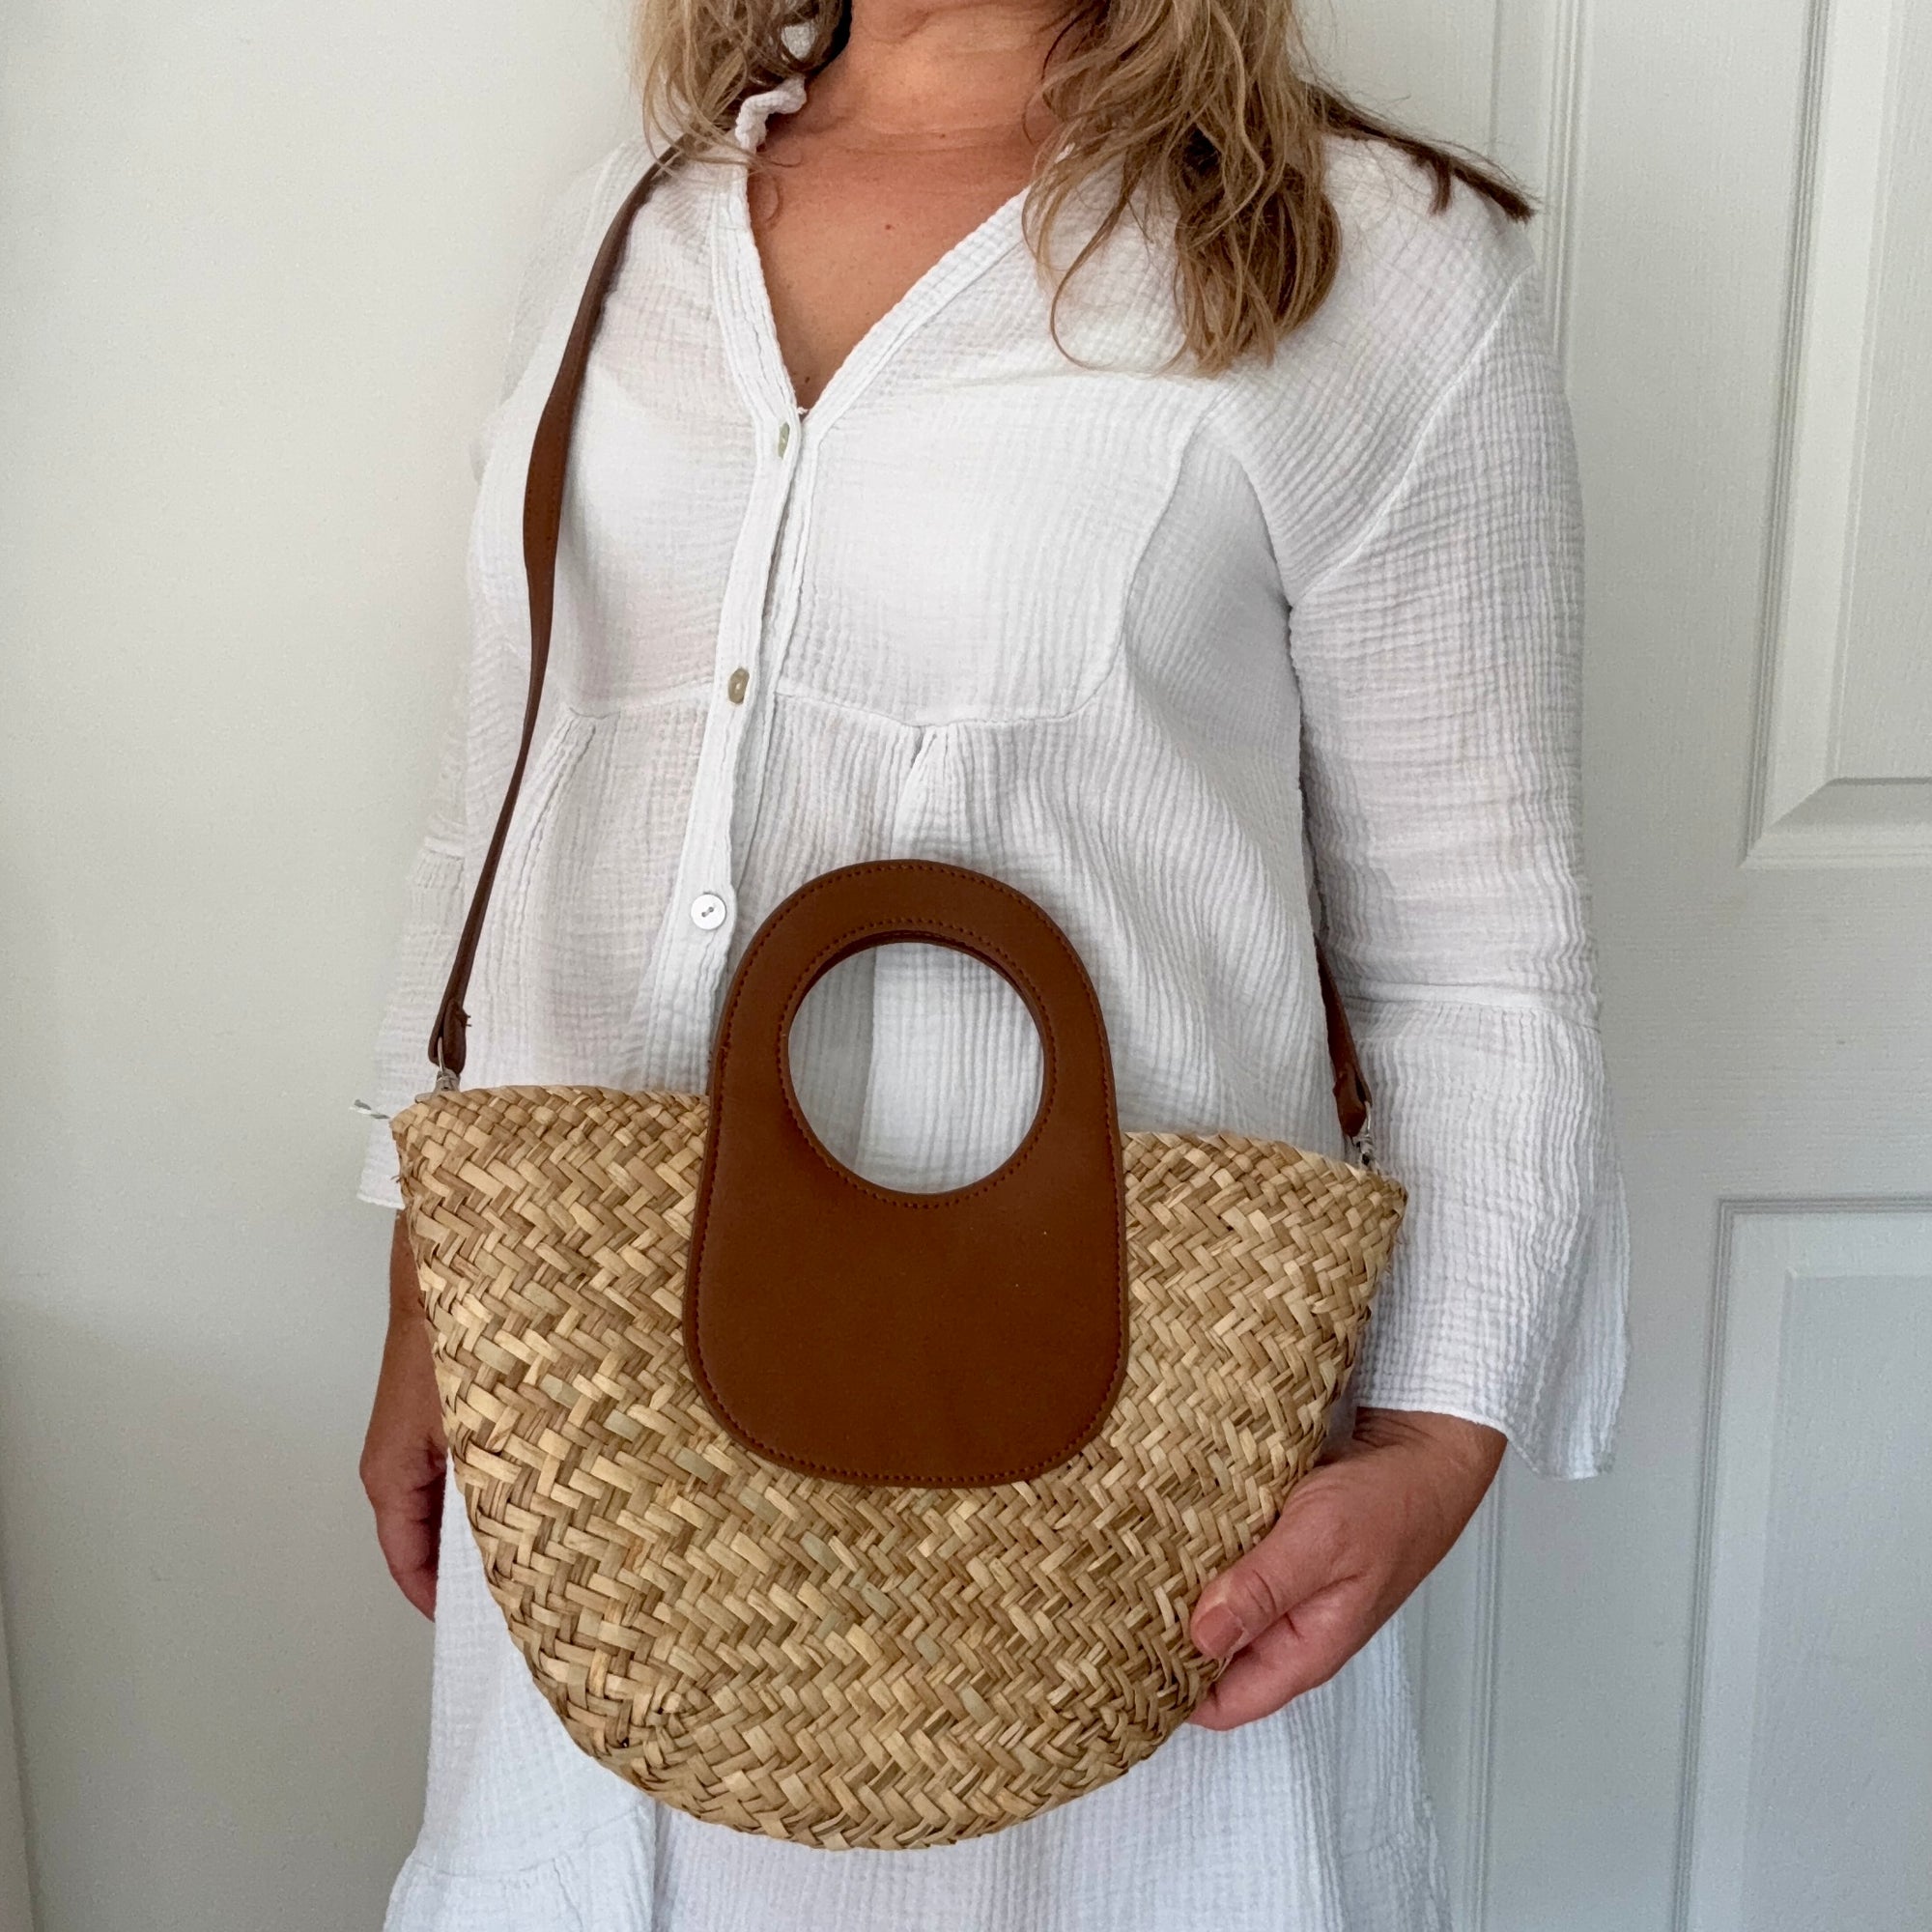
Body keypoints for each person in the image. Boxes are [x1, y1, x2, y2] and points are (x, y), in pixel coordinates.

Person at [356, 0, 1628, 1920]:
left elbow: (1476, 939)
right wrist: (423, 1284)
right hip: (597, 1417)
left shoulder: (1361, 261)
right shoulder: (629, 222)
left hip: (1105, 1449)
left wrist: (1440, 1438)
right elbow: (501, 805)